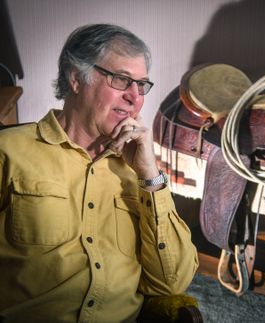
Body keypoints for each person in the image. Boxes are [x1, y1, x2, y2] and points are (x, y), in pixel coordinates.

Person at [0, 23, 198, 322]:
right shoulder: (9, 151)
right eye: (122, 80)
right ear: (77, 78)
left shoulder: (140, 172)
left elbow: (171, 282)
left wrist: (150, 175)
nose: (135, 97)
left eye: (141, 84)